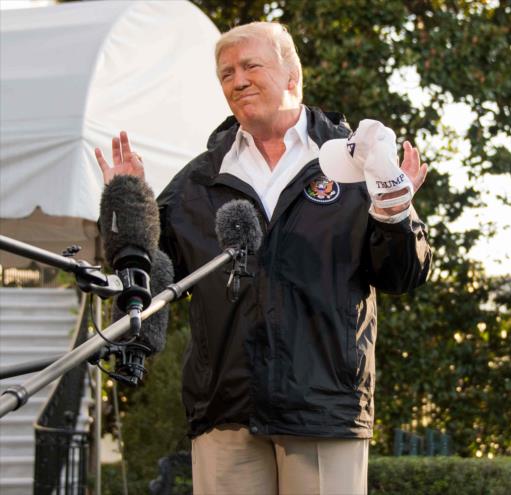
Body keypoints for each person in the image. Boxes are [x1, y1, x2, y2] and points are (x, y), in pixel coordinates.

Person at [95, 22, 431, 495]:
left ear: (292, 75)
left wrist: (394, 214)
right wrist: (128, 206)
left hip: (323, 406)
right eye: (226, 73)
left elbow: (404, 273)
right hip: (226, 409)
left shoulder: (357, 163)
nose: (238, 80)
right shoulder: (199, 180)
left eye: (251, 65)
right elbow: (147, 275)